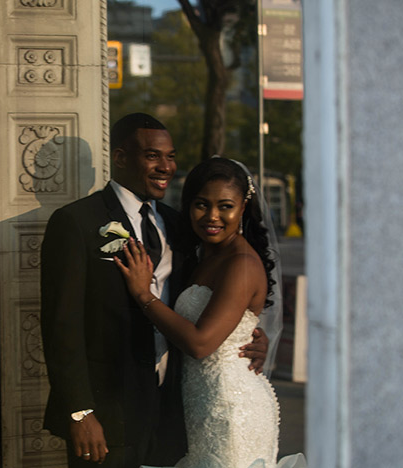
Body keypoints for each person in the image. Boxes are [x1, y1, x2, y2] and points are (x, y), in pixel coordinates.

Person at [40, 114, 271, 468]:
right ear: (120, 157)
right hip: (107, 413)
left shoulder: (181, 225)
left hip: (174, 413)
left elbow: (220, 299)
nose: (166, 166)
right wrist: (79, 412)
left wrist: (252, 333)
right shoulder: (76, 223)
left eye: (171, 156)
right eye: (152, 155)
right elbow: (60, 328)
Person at [117, 157, 305, 467]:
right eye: (202, 205)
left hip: (231, 410)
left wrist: (143, 295)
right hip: (204, 407)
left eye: (225, 206)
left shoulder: (241, 264)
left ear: (243, 208)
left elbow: (201, 344)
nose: (212, 216)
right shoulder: (203, 254)